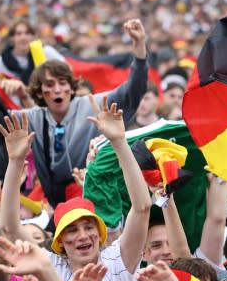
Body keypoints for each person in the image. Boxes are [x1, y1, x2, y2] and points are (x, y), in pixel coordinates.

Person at [0, 96, 151, 281]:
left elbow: (142, 207)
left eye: (88, 227)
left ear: (99, 233)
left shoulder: (117, 259)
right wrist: (14, 163)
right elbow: (10, 229)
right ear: (60, 241)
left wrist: (118, 142)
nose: (82, 236)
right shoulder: (51, 267)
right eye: (72, 230)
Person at [17, 19, 149, 206]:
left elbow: (133, 90)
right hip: (54, 204)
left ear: (71, 88)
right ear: (39, 92)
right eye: (49, 85)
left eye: (63, 83)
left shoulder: (93, 105)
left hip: (94, 199)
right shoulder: (34, 117)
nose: (57, 90)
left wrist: (139, 48)